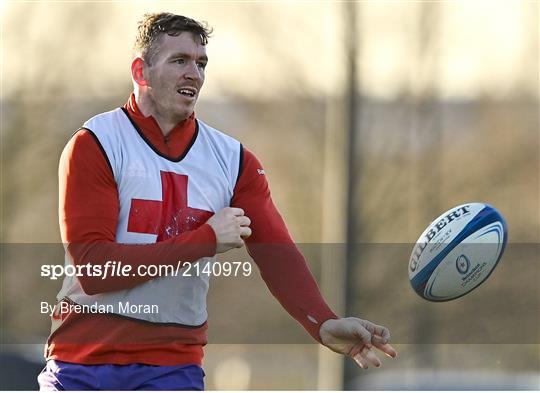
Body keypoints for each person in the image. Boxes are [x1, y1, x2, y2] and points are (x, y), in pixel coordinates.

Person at [38, 12, 397, 391]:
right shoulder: (95, 143)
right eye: (180, 61)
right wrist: (205, 240)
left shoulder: (233, 160)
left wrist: (321, 321)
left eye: (201, 63)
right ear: (141, 72)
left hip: (171, 368)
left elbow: (276, 251)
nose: (194, 73)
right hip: (82, 364)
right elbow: (95, 269)